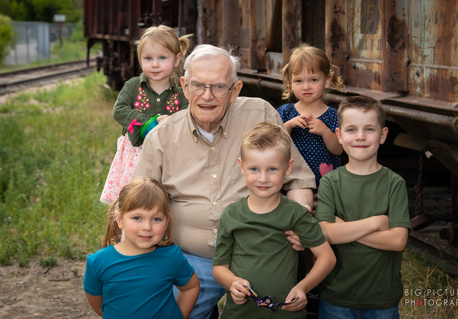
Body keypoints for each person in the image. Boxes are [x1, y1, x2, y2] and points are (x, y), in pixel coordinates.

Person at [132, 44, 317, 319]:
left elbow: (298, 176)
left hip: (261, 257)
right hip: (190, 262)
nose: (207, 96)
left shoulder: (260, 115)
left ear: (236, 90)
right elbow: (138, 202)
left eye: (219, 87)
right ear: (183, 86)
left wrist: (300, 220)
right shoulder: (162, 136)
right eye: (197, 86)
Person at [212, 122, 336, 319]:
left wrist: (303, 287)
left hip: (285, 313)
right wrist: (232, 283)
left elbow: (327, 258)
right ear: (241, 167)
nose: (263, 178)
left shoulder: (295, 214)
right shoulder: (232, 215)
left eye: (272, 169)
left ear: (288, 168)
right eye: (254, 169)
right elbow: (219, 268)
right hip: (240, 314)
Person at [312, 96, 411, 318]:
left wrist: (344, 229)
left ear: (383, 135)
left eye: (369, 129)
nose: (360, 137)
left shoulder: (394, 183)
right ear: (338, 135)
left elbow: (397, 241)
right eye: (351, 130)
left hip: (382, 299)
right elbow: (325, 233)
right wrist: (375, 223)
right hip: (337, 296)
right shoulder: (330, 182)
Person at [100, 25, 192, 204]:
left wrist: (173, 120)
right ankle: (130, 224)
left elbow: (190, 117)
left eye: (162, 57)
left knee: (163, 196)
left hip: (169, 154)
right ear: (140, 59)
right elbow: (119, 110)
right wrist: (148, 122)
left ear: (176, 59)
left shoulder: (181, 93)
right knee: (134, 197)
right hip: (136, 153)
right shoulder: (133, 86)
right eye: (148, 58)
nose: (155, 64)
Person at [84, 178, 200, 319]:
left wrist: (179, 316)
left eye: (156, 219)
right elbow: (98, 303)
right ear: (120, 220)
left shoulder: (172, 257)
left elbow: (191, 287)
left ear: (166, 221)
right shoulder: (98, 262)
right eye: (137, 218)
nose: (147, 227)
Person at [277, 44, 344, 190]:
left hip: (326, 183)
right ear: (290, 82)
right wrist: (288, 126)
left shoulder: (333, 115)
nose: (306, 86)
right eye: (299, 81)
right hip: (292, 181)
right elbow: (274, 144)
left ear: (326, 80)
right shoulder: (285, 112)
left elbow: (339, 150)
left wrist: (325, 131)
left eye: (313, 80)